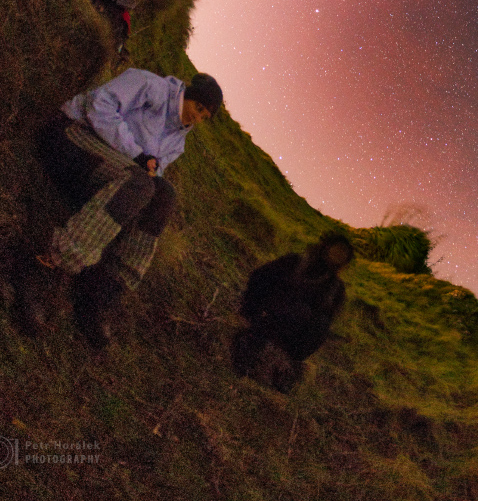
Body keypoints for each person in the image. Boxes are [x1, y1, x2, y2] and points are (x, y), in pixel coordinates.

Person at [20, 68, 222, 346]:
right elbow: (99, 106)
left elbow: (152, 171)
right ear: (188, 94)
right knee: (139, 184)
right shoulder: (150, 86)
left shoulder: (179, 141)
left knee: (164, 195)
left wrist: (148, 168)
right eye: (198, 108)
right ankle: (45, 267)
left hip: (104, 170)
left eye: (204, 117)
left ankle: (100, 292)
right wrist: (137, 156)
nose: (196, 118)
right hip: (71, 137)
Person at [231, 232, 354, 391]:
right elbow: (259, 278)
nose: (337, 256)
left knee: (320, 323)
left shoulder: (335, 289)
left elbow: (325, 322)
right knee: (299, 312)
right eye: (336, 250)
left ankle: (284, 366)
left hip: (293, 339)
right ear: (326, 247)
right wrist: (250, 312)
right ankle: (251, 347)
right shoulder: (294, 262)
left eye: (343, 255)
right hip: (268, 319)